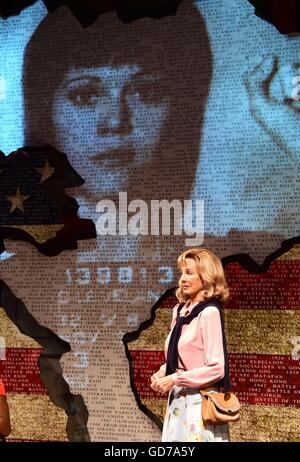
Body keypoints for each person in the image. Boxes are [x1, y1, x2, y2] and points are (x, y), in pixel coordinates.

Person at [0, 0, 213, 441]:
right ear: (46, 109)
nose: (115, 122)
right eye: (84, 94)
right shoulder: (16, 272)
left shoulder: (212, 254)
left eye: (146, 92)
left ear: (181, 108)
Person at [150, 247, 230, 442]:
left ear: (206, 277)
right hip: (178, 402)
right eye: (182, 273)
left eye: (189, 273)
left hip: (199, 404)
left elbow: (217, 368)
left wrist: (175, 379)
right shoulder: (179, 311)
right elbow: (178, 358)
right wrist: (163, 372)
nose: (182, 279)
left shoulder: (209, 312)